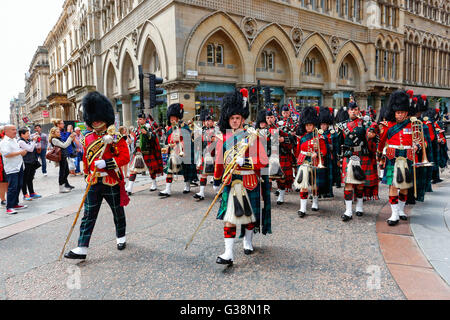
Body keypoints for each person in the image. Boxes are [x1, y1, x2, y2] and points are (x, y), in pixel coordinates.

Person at [64, 91, 130, 260]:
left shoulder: (115, 136)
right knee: (88, 215)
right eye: (93, 118)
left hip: (110, 180)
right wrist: (87, 174)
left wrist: (106, 164)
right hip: (93, 181)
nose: (96, 121)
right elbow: (86, 160)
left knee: (117, 212)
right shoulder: (87, 138)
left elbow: (124, 157)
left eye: (99, 118)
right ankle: (82, 247)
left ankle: (120, 237)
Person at [214, 89, 270, 266]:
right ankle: (228, 253)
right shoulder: (224, 139)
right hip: (231, 183)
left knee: (249, 218)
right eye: (232, 118)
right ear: (227, 120)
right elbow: (219, 162)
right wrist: (216, 180)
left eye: (237, 118)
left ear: (243, 119)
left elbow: (263, 161)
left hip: (249, 182)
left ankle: (248, 241)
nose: (235, 121)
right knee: (229, 218)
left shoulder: (253, 137)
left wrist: (245, 162)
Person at [378, 90, 421, 225]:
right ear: (394, 112)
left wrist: (417, 147)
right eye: (397, 112)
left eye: (402, 112)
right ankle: (394, 213)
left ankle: (401, 210)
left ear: (406, 113)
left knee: (404, 186)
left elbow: (421, 141)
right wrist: (380, 155)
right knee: (392, 185)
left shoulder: (413, 125)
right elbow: (381, 141)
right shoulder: (388, 126)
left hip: (407, 156)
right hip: (392, 157)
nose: (400, 115)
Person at [337, 100, 379, 222]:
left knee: (360, 184)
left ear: (358, 110)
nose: (354, 112)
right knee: (348, 184)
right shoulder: (342, 125)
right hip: (348, 155)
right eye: (351, 110)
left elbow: (374, 128)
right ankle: (348, 211)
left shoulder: (365, 123)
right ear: (348, 111)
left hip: (362, 155)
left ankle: (359, 206)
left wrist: (371, 130)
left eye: (355, 110)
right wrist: (339, 157)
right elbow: (339, 142)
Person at [293, 106, 327, 217]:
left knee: (314, 185)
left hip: (314, 162)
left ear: (314, 125)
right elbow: (298, 150)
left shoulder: (319, 136)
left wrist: (318, 154)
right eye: (307, 125)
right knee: (303, 185)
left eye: (310, 125)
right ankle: (302, 209)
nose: (308, 127)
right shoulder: (302, 137)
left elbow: (324, 150)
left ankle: (315, 202)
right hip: (303, 161)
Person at [159, 104, 197, 197]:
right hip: (173, 151)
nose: (172, 119)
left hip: (184, 150)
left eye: (173, 117)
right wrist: (169, 144)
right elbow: (167, 138)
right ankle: (167, 189)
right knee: (170, 169)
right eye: (171, 117)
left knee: (186, 169)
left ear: (177, 117)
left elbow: (188, 136)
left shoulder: (184, 126)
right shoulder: (170, 128)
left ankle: (187, 185)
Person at [126, 113, 164, 194]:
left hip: (147, 152)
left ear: (144, 119)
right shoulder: (136, 129)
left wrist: (146, 133)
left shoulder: (148, 127)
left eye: (140, 119)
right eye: (138, 119)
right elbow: (134, 140)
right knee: (133, 170)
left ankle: (154, 184)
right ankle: (129, 187)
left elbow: (153, 138)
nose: (138, 121)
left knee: (151, 169)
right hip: (138, 153)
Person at [0, 125, 28, 214]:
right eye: (13, 130)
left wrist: (22, 153)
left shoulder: (15, 140)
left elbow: (17, 152)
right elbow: (6, 154)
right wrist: (20, 152)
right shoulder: (4, 142)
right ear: (6, 131)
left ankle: (15, 204)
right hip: (12, 168)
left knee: (19, 185)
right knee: (12, 187)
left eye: (15, 129)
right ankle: (9, 207)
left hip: (19, 166)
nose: (15, 131)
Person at [193, 110, 216, 201]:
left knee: (217, 174)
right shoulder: (202, 130)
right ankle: (201, 193)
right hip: (204, 154)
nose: (208, 122)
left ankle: (218, 191)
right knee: (203, 174)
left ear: (212, 122)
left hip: (214, 155)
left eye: (210, 121)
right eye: (206, 121)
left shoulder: (216, 130)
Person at [49, 127, 76, 193]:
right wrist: (70, 138)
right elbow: (64, 145)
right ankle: (61, 187)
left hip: (64, 156)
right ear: (53, 133)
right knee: (62, 172)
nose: (59, 133)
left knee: (66, 171)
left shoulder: (58, 138)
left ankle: (64, 185)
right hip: (60, 157)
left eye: (59, 132)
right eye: (57, 132)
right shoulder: (54, 139)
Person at [18, 127, 41, 201]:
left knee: (30, 178)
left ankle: (32, 192)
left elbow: (35, 147)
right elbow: (30, 149)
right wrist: (34, 141)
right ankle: (25, 194)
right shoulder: (21, 142)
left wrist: (35, 140)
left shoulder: (27, 140)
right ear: (22, 134)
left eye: (29, 133)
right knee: (25, 179)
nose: (29, 135)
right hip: (25, 162)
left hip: (32, 161)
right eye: (27, 133)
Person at [0, 127, 9, 206]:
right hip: (1, 164)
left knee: (7, 182)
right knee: (2, 183)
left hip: (7, 163)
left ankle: (9, 198)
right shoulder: (2, 140)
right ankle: (3, 199)